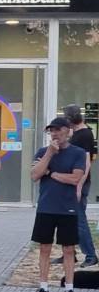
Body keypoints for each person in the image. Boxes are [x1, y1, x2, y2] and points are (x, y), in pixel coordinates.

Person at [31, 117, 87, 292]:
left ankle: (69, 290)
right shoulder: (42, 152)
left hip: (67, 208)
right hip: (46, 207)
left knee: (69, 249)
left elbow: (75, 178)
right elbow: (35, 175)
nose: (54, 134)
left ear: (67, 130)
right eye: (51, 131)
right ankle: (43, 288)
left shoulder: (77, 153)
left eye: (57, 130)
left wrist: (52, 173)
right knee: (44, 248)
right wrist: (49, 154)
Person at [66, 105, 98, 268]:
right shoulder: (78, 133)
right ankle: (70, 253)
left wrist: (79, 186)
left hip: (79, 182)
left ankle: (91, 255)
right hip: (74, 181)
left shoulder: (85, 134)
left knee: (79, 220)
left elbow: (86, 162)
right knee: (69, 219)